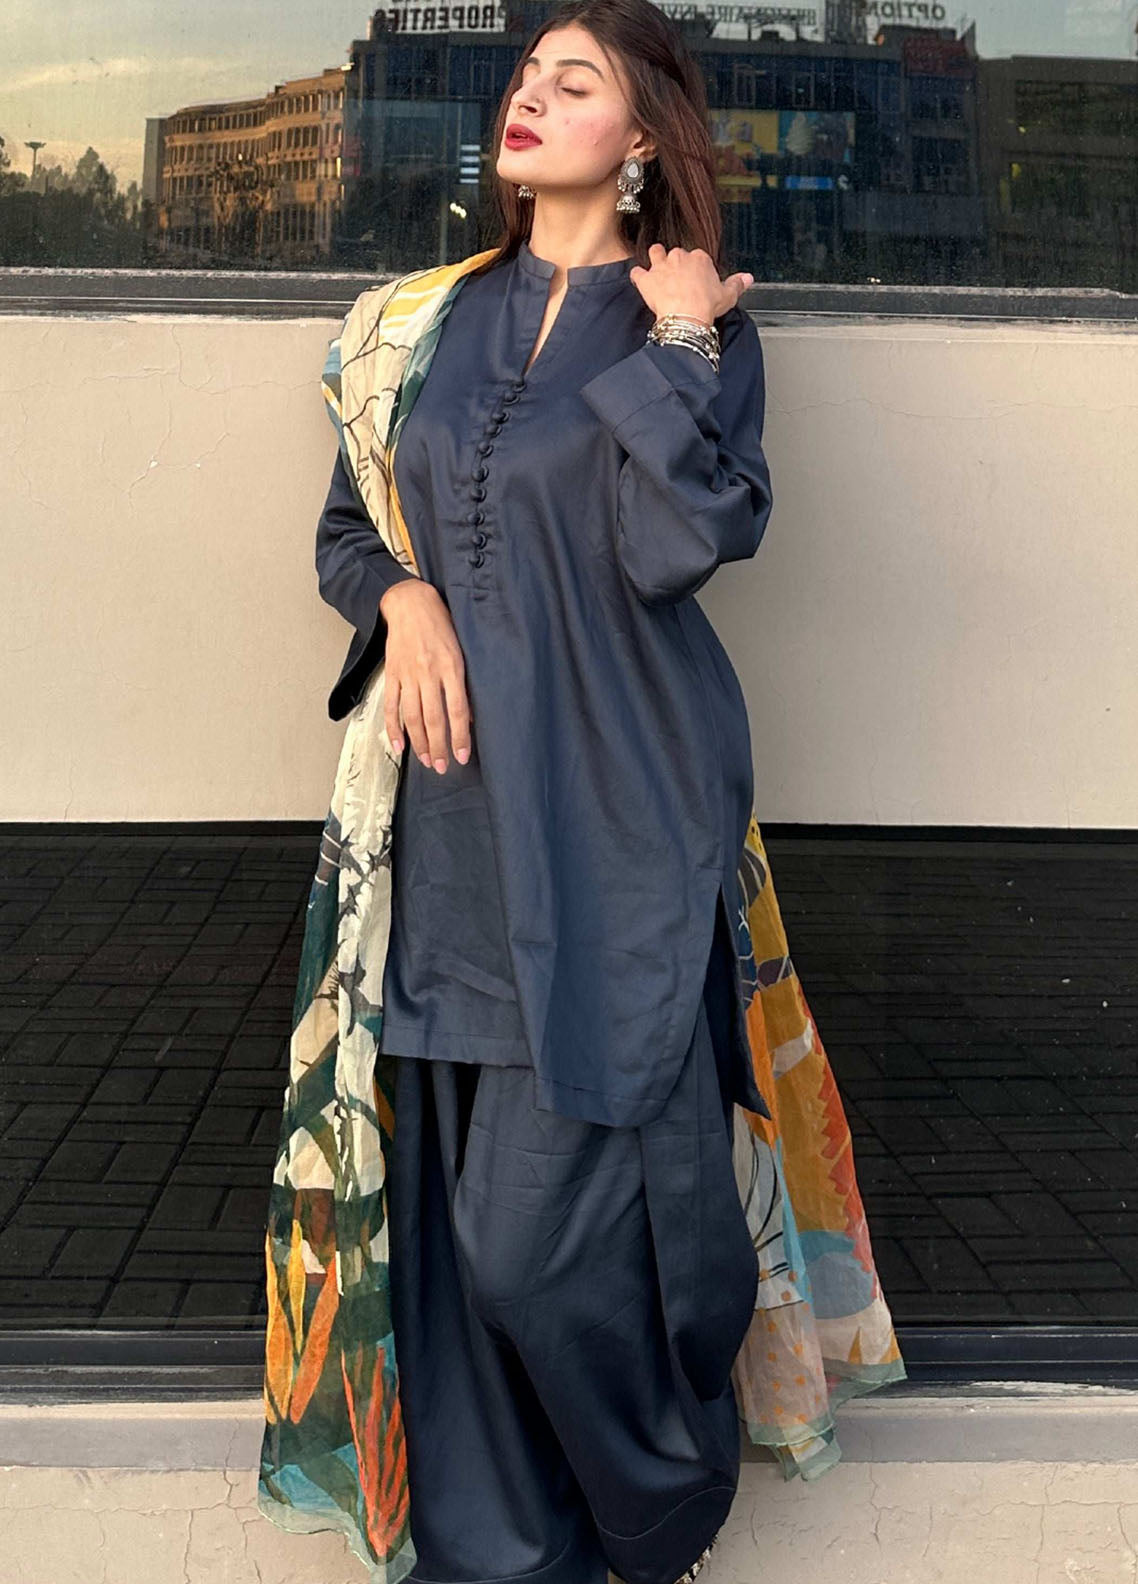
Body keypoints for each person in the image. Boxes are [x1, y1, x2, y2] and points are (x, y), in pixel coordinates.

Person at [310, 2, 777, 1580]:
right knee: (451, 1247)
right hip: (440, 827)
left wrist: (681, 344)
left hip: (611, 809)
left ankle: (658, 1504)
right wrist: (402, 599)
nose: (527, 97)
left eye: (570, 82)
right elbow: (349, 527)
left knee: (531, 1246)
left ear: (638, 136)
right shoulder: (419, 322)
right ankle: (506, 1560)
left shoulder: (693, 326)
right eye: (523, 77)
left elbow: (677, 541)